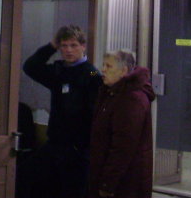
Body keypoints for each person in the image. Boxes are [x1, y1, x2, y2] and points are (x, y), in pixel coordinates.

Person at [23, 25, 103, 198]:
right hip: (56, 143)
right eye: (64, 46)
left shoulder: (90, 72)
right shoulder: (59, 71)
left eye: (73, 45)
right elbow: (30, 67)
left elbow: (94, 112)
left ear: (83, 46)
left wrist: (82, 145)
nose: (68, 50)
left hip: (78, 149)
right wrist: (51, 46)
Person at [88, 50, 155, 198]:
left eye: (109, 66)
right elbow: (93, 73)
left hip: (123, 183)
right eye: (103, 65)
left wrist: (107, 183)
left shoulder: (131, 99)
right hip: (106, 173)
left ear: (123, 71)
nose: (103, 69)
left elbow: (123, 147)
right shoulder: (111, 90)